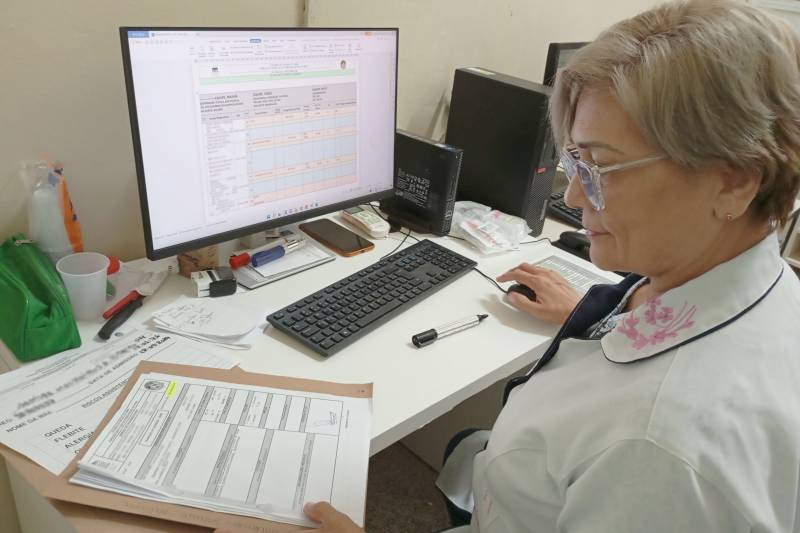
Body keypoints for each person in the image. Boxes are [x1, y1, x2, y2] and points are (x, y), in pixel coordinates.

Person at [222, 0, 800, 531]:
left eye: (601, 166)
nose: (574, 196)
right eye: (575, 161)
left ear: (734, 181)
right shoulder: (744, 284)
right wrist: (591, 317)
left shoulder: (657, 452)